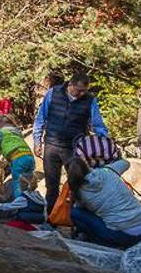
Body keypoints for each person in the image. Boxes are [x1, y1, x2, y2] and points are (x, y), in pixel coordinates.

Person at [33, 73, 109, 215]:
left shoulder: (90, 100)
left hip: (75, 149)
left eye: (84, 91)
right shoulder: (53, 93)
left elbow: (98, 124)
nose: (81, 94)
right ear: (71, 85)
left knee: (78, 185)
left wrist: (104, 141)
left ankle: (78, 221)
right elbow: (41, 118)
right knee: (51, 185)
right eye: (79, 90)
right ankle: (51, 218)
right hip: (52, 145)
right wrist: (37, 141)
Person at [66, 134, 141, 249]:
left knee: (75, 213)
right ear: (86, 166)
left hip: (123, 235)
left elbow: (82, 208)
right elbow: (126, 163)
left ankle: (101, 242)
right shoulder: (108, 171)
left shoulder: (80, 192)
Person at [0, 115, 36, 202]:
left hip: (18, 159)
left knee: (17, 184)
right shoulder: (17, 132)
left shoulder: (1, 133)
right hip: (30, 158)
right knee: (27, 183)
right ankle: (29, 203)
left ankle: (17, 205)